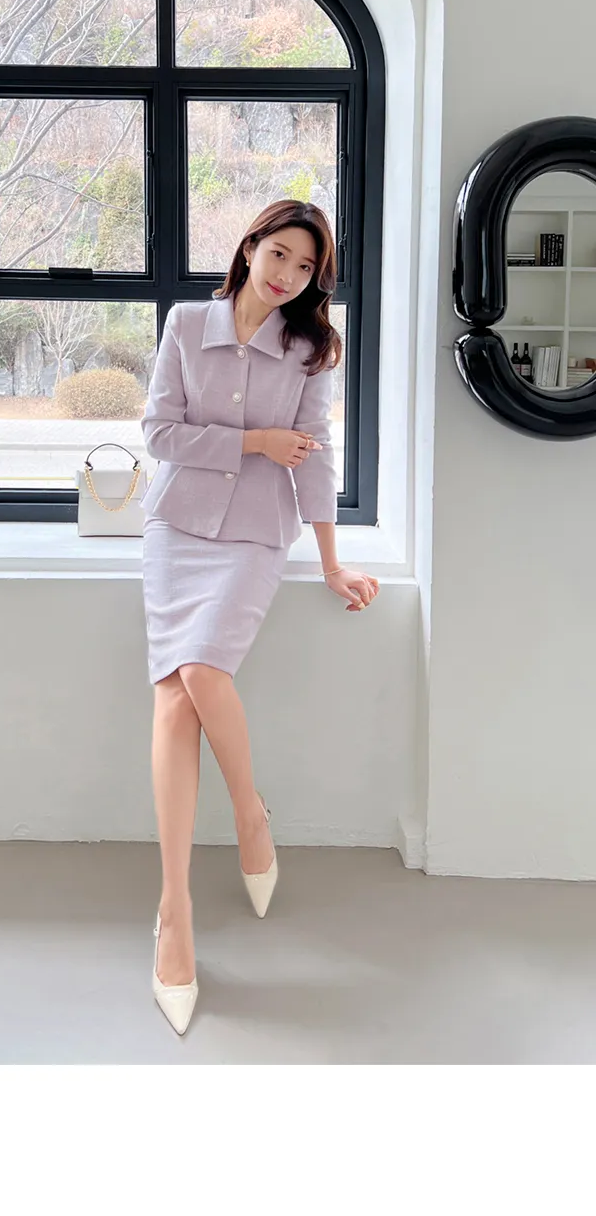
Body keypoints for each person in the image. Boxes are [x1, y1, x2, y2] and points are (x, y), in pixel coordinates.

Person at [140, 198, 379, 1034]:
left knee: (201, 672)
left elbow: (315, 460)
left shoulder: (309, 353)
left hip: (253, 535)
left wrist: (332, 562)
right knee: (174, 700)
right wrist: (253, 442)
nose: (288, 275)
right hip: (176, 530)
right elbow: (159, 433)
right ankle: (175, 911)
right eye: (278, 254)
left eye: (305, 267)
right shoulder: (185, 324)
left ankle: (248, 811)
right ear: (248, 248)